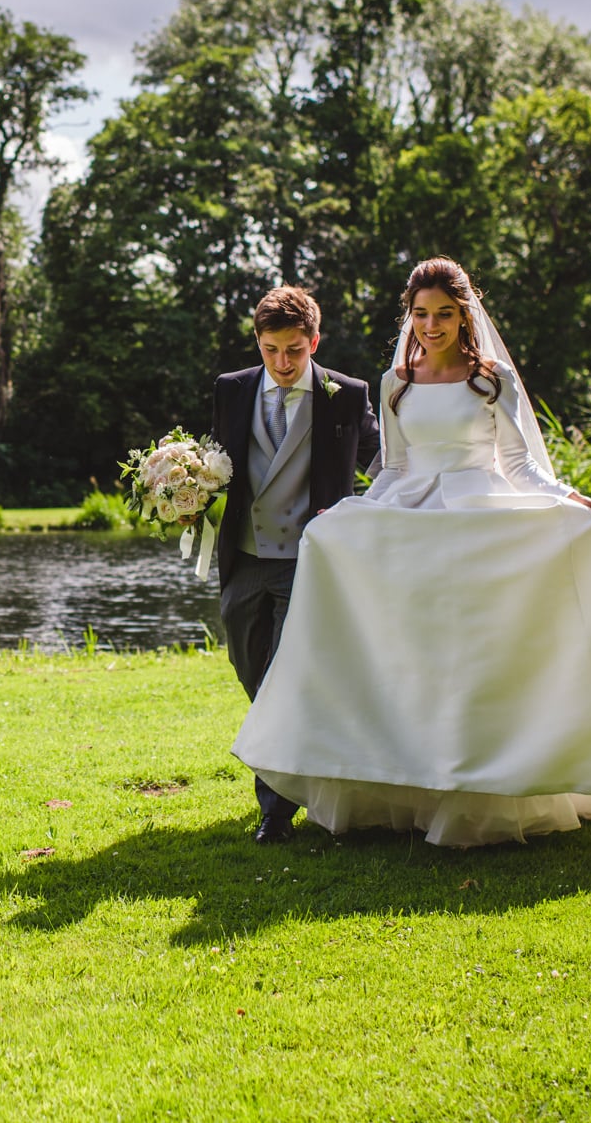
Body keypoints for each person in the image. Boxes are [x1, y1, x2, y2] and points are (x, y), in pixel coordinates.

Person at [232, 258, 591, 848]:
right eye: (421, 314)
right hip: (416, 512)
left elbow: (517, 462)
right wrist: (353, 510)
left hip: (479, 514)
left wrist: (566, 497)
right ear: (410, 316)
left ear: (464, 314)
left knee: (477, 655)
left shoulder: (492, 376)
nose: (431, 326)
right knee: (408, 641)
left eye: (444, 314)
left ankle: (489, 781)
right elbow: (395, 468)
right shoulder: (396, 380)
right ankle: (408, 783)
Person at [212, 286, 380, 844]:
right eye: (270, 351)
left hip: (308, 562)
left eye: (294, 351)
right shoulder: (232, 390)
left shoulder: (346, 395)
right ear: (257, 344)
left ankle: (275, 811)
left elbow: (385, 466)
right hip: (244, 557)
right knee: (250, 670)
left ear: (315, 340)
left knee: (285, 678)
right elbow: (217, 466)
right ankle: (300, 765)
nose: (282, 364)